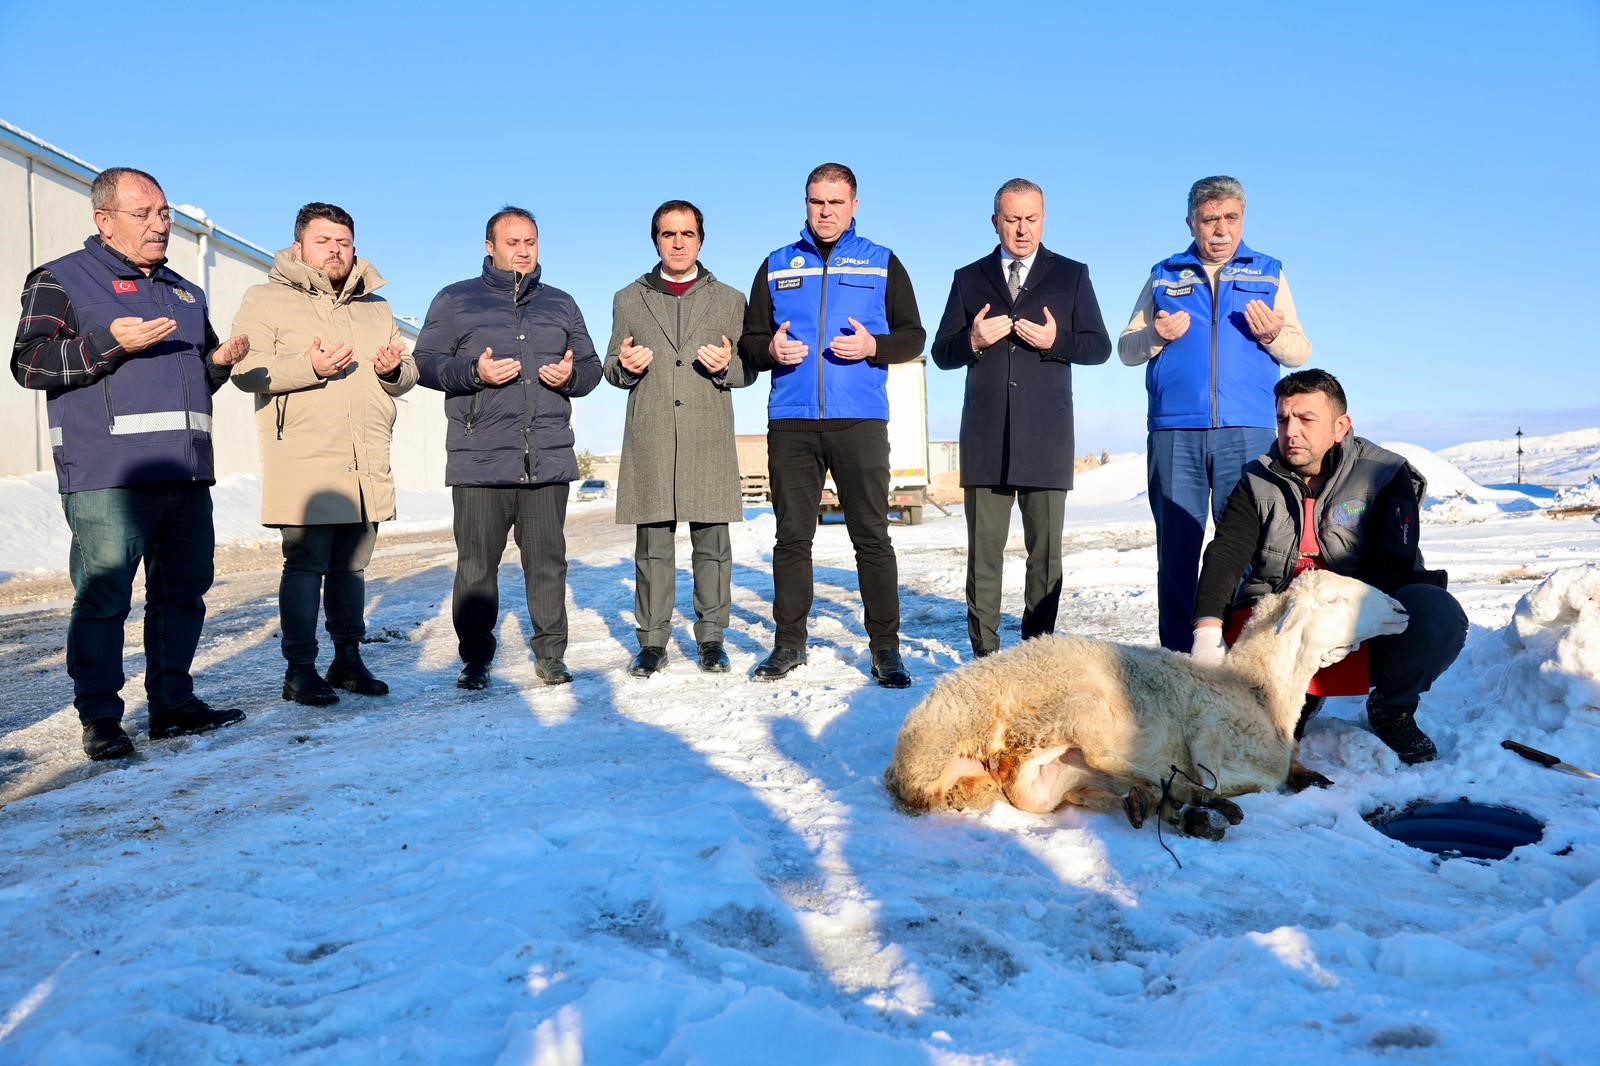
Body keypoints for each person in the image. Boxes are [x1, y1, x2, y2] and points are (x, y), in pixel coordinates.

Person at [10, 167, 249, 760]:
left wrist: (219, 362)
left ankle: (173, 704)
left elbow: (195, 381)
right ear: (104, 221)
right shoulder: (61, 280)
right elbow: (30, 364)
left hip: (186, 471)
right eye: (143, 214)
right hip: (108, 475)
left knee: (183, 592)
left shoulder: (185, 292)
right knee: (105, 595)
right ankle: (101, 718)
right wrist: (108, 343)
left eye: (164, 213)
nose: (158, 225)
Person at [1191, 369, 1467, 765]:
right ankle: (1297, 700)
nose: (1291, 432)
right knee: (1238, 629)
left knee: (1436, 615)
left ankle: (1393, 709)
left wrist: (1334, 619)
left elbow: (1393, 564)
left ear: (1340, 427)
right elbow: (1226, 553)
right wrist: (1207, 631)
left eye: (1306, 419)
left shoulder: (1385, 473)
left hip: (1357, 607)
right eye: (1284, 419)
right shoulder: (1258, 478)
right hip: (1285, 611)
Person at [737, 162, 926, 687]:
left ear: (855, 205)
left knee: (871, 537)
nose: (826, 212)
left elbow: (914, 336)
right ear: (805, 203)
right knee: (792, 538)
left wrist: (874, 346)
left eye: (836, 202)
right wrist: (769, 347)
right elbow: (749, 342)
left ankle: (886, 650)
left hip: (860, 421)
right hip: (792, 422)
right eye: (817, 202)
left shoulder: (882, 263)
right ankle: (788, 645)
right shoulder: (776, 264)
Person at [231, 203, 418, 706]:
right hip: (306, 458)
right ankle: (300, 668)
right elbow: (244, 369)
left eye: (343, 241)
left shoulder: (375, 307)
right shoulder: (266, 299)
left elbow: (407, 373)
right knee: (306, 563)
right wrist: (309, 364)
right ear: (299, 248)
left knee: (352, 566)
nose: (336, 250)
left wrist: (390, 371)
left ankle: (348, 659)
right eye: (323, 241)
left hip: (365, 453)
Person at [1118, 176, 1312, 653]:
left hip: (1246, 432)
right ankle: (1178, 662)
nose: (1221, 230)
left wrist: (1272, 337)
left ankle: (1237, 656)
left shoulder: (1268, 273)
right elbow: (1126, 348)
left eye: (1230, 219)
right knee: (1178, 550)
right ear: (1191, 223)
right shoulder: (1165, 273)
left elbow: (1300, 350)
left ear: (1242, 219)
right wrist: (1156, 336)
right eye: (1210, 220)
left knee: (1245, 550)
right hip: (1174, 431)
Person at [412, 207, 601, 690]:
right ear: (489, 246)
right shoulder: (455, 301)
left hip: (547, 459)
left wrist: (570, 376)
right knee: (476, 567)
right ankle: (475, 658)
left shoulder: (561, 303)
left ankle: (551, 654)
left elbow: (592, 368)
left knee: (547, 564)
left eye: (531, 241)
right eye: (513, 241)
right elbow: (426, 364)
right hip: (480, 459)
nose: (523, 250)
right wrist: (475, 372)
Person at [931, 178, 1111, 658]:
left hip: (1047, 439)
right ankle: (984, 656)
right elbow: (942, 353)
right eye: (1012, 219)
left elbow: (1099, 347)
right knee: (983, 559)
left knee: (1044, 559)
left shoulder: (1071, 275)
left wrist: (1058, 342)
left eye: (1031, 219)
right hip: (986, 438)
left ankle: (1035, 655)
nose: (1022, 229)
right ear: (996, 222)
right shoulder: (968, 278)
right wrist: (971, 340)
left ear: (1044, 219)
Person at [604, 200, 750, 677]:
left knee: (712, 545)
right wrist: (623, 367)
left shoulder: (729, 299)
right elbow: (611, 364)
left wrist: (728, 366)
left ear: (701, 240)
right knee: (652, 549)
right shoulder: (629, 298)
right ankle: (651, 641)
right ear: (656, 241)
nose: (679, 242)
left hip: (707, 435)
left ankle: (712, 638)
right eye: (669, 234)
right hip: (652, 435)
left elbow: (748, 367)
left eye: (687, 233)